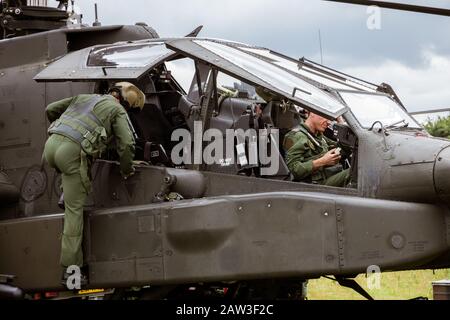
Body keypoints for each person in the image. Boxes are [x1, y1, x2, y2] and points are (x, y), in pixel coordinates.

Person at [43, 82, 145, 286]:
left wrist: (66, 128)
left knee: (74, 176)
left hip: (51, 147)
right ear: (126, 102)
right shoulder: (117, 110)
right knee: (74, 212)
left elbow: (50, 109)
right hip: (71, 154)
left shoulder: (82, 98)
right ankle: (71, 273)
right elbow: (126, 145)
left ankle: (67, 190)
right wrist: (127, 169)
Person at [283, 111, 350, 187]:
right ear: (312, 113)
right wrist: (323, 161)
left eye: (330, 119)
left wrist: (341, 122)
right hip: (313, 185)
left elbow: (340, 148)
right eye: (326, 117)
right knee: (355, 172)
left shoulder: (318, 135)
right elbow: (295, 170)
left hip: (328, 176)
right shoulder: (296, 136)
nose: (329, 122)